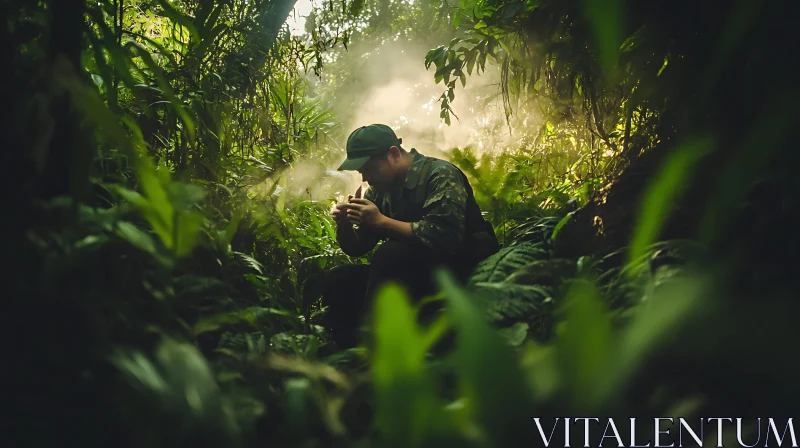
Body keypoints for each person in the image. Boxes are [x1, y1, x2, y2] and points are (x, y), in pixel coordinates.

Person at [322, 124, 499, 349]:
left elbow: (445, 237)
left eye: (370, 168)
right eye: (361, 172)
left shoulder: (440, 174)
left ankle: (374, 349)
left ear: (394, 154)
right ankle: (347, 353)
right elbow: (358, 247)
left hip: (459, 270)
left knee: (391, 254)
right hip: (413, 272)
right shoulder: (379, 190)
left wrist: (381, 222)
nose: (366, 178)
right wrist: (344, 225)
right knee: (340, 278)